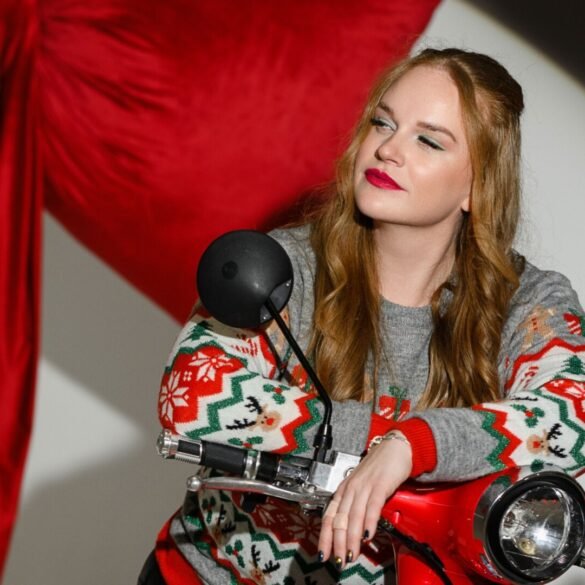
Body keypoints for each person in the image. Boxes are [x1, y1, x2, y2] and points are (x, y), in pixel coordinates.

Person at [142, 47, 585, 584]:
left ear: (478, 185)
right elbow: (192, 393)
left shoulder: (530, 301)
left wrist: (417, 445)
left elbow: (572, 415)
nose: (388, 150)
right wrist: (379, 441)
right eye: (383, 123)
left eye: (428, 140)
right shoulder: (286, 266)